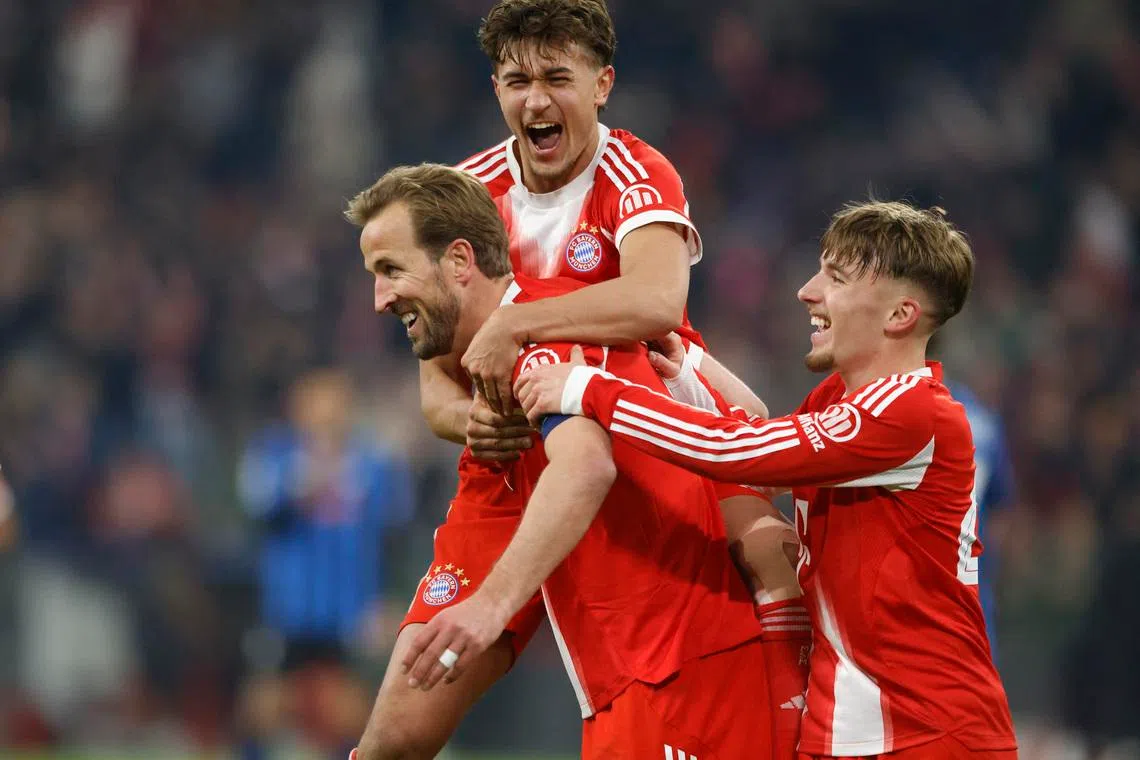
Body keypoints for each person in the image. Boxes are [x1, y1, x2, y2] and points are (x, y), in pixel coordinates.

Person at [354, 1, 807, 758]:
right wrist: (468, 423)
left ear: (602, 84)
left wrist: (517, 324)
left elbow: (659, 301)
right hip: (505, 461)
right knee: (404, 709)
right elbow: (435, 377)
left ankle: (805, 709)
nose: (535, 99)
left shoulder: (635, 171)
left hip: (636, 420)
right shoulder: (468, 191)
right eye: (516, 79)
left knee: (762, 550)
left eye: (556, 77)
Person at [517, 201, 1019, 760]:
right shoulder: (843, 399)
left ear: (900, 315)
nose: (807, 291)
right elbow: (770, 444)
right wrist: (688, 373)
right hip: (850, 730)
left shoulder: (914, 411)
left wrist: (588, 389)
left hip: (930, 733)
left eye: (836, 277)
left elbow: (741, 450)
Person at [237, 368, 415, 760]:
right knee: (265, 706)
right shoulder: (275, 454)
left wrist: (383, 600)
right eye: (318, 401)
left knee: (349, 711)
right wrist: (311, 475)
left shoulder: (373, 462)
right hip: (289, 606)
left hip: (349, 607)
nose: (328, 412)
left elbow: (394, 528)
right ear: (299, 408)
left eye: (337, 401)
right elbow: (259, 506)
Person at [945, 380, 1014, 656]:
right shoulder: (983, 422)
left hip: (929, 602)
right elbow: (1001, 508)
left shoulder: (893, 416)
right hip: (973, 599)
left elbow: (1001, 506)